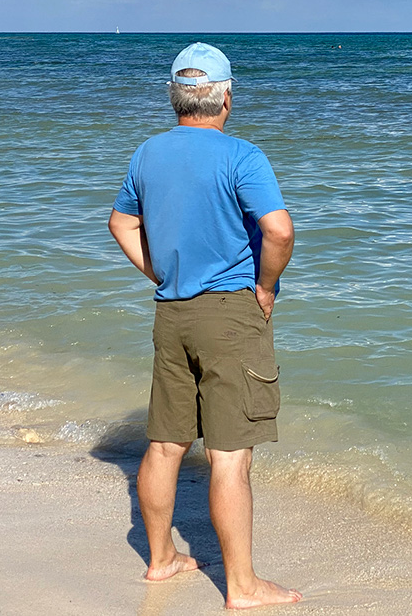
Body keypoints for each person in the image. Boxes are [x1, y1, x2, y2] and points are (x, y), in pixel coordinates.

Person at [109, 42, 301, 610]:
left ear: (176, 98)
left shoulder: (147, 154)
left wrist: (159, 272)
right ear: (225, 97)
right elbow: (280, 231)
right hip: (230, 314)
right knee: (230, 455)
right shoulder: (242, 155)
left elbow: (121, 222)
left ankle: (162, 559)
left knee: (166, 444)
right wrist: (264, 288)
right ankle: (241, 586)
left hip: (172, 312)